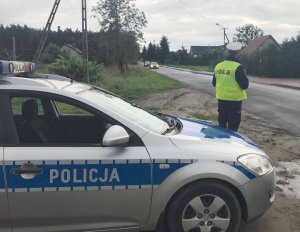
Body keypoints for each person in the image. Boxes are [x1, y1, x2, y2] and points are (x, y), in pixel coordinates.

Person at [212, 42, 249, 132]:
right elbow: (244, 85)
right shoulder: (238, 67)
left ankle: (222, 143)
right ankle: (230, 144)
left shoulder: (218, 66)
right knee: (233, 127)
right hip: (234, 102)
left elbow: (214, 83)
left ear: (228, 52)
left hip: (221, 100)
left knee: (222, 125)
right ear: (238, 53)